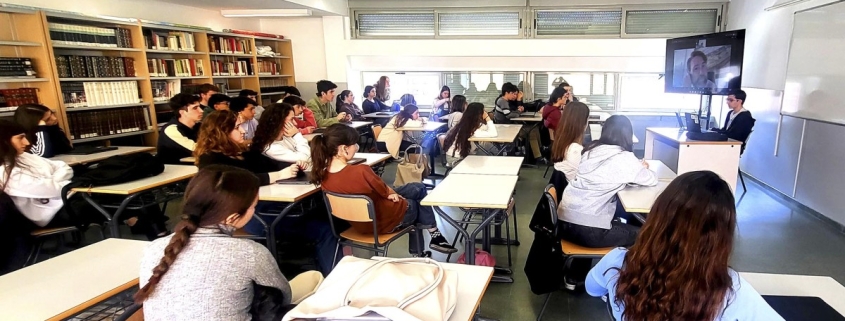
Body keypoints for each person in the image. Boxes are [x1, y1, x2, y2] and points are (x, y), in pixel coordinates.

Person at [586, 171, 783, 321]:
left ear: (657, 216)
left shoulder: (618, 261)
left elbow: (592, 288)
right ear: (721, 237)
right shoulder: (731, 292)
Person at [135, 165, 293, 320]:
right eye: (254, 206)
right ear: (231, 218)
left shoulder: (153, 247)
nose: (254, 210)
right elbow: (283, 295)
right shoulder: (249, 252)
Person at [310, 124, 457, 254]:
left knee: (418, 187)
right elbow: (384, 191)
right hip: (383, 221)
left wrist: (389, 194)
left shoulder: (322, 175)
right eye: (354, 144)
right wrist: (391, 195)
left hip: (358, 223)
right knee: (416, 202)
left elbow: (382, 191)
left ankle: (430, 239)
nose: (357, 147)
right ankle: (433, 237)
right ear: (343, 149)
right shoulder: (361, 171)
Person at [558, 115, 657, 249]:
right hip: (589, 230)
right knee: (649, 236)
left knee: (623, 213)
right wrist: (642, 168)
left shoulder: (590, 150)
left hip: (564, 223)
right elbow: (651, 179)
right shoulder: (623, 157)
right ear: (628, 135)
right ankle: (633, 269)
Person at [194, 110, 299, 186]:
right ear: (221, 132)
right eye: (236, 128)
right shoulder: (209, 158)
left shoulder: (244, 152)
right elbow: (239, 180)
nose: (243, 131)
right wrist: (279, 175)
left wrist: (295, 166)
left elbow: (273, 164)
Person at [157, 93, 203, 165]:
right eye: (195, 108)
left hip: (194, 165)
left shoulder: (199, 126)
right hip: (175, 169)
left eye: (199, 107)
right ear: (182, 112)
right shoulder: (171, 129)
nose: (201, 111)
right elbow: (197, 149)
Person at [551, 102, 590, 182]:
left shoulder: (562, 143)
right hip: (576, 191)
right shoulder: (576, 151)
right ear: (583, 123)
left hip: (567, 189)